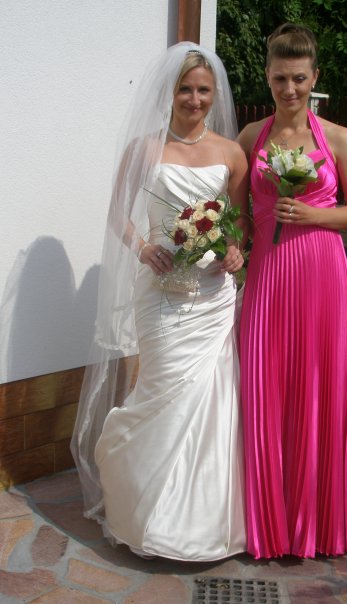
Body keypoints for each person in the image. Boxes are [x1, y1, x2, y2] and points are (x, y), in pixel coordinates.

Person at [71, 42, 249, 561]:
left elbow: (239, 223)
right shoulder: (144, 149)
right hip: (161, 292)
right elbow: (117, 215)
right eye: (185, 89)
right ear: (169, 93)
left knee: (211, 396)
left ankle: (201, 521)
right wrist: (144, 247)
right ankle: (143, 513)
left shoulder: (231, 153)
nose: (194, 99)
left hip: (212, 295)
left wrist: (235, 250)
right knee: (160, 389)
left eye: (203, 90)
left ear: (214, 95)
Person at [237, 23, 347, 559]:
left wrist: (315, 215)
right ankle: (272, 526)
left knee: (321, 391)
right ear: (267, 77)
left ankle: (321, 525)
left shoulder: (337, 138)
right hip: (268, 280)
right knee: (266, 390)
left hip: (323, 281)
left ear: (314, 77)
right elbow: (239, 217)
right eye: (279, 78)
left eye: (298, 78)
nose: (288, 88)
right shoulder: (250, 137)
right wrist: (218, 244)